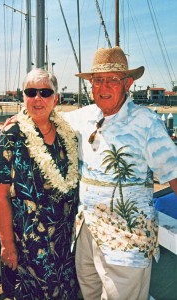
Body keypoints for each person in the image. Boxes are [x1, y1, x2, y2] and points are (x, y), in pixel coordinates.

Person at [62, 46, 177, 300]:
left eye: (113, 80)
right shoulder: (82, 117)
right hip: (85, 235)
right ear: (90, 84)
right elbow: (46, 120)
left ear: (128, 83)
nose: (104, 87)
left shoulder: (147, 123)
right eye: (98, 80)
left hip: (128, 241)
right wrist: (21, 118)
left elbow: (174, 172)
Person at [0, 68, 80, 299]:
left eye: (44, 92)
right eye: (31, 92)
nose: (37, 98)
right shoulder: (11, 134)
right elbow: (0, 196)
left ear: (55, 98)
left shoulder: (66, 134)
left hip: (63, 245)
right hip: (29, 248)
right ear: (24, 97)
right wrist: (7, 245)